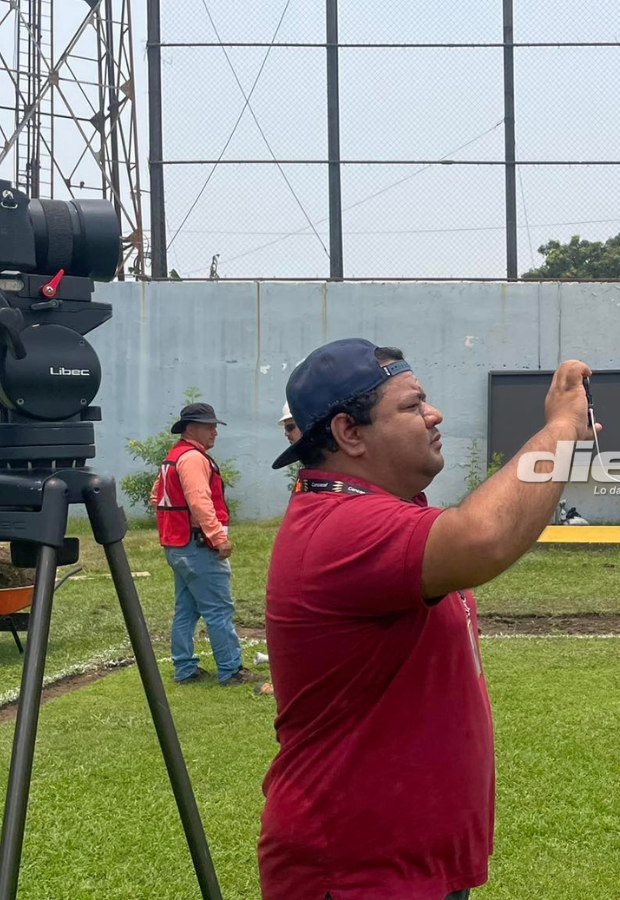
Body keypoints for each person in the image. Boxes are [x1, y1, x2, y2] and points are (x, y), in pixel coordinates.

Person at [258, 338, 596, 900]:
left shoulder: (390, 512)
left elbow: (493, 518)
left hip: (410, 863)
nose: (433, 413)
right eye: (412, 406)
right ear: (349, 433)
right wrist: (560, 430)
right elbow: (484, 538)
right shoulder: (341, 527)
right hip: (357, 872)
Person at [151, 402, 256, 685]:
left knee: (186, 610)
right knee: (218, 610)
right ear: (190, 429)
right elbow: (200, 501)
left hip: (176, 545)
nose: (214, 432)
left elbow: (156, 497)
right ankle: (231, 670)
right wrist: (217, 537)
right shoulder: (194, 459)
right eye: (208, 426)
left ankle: (184, 669)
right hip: (197, 546)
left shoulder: (173, 457)